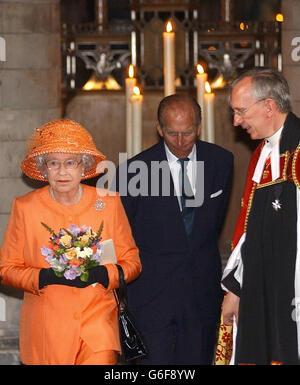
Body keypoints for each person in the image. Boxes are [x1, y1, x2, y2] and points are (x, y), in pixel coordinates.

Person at [0, 119, 141, 365]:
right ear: (44, 170)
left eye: (70, 163)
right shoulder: (25, 207)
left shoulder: (107, 203)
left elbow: (132, 263)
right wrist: (43, 277)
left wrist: (105, 274)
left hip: (97, 329)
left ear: (83, 167)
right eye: (53, 163)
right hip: (47, 331)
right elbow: (6, 269)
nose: (62, 171)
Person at [115, 94, 233, 364]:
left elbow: (213, 224)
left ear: (199, 127)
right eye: (172, 133)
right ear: (159, 129)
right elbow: (123, 236)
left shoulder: (221, 162)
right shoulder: (133, 171)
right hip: (151, 297)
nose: (180, 142)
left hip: (201, 295)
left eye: (188, 133)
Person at [218, 68, 300, 365]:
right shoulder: (262, 153)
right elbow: (248, 229)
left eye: (241, 111)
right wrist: (236, 289)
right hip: (259, 291)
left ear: (268, 106)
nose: (236, 121)